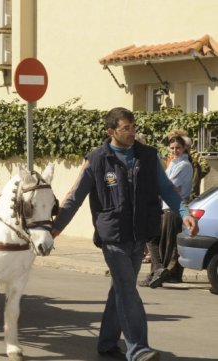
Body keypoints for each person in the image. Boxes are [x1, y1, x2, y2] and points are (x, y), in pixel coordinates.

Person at [51, 107, 198, 361]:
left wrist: (184, 212)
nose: (132, 133)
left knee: (119, 289)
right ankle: (138, 349)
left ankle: (107, 342)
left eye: (133, 127)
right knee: (128, 289)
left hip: (138, 235)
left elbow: (167, 188)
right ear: (111, 132)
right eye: (125, 129)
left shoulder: (147, 156)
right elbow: (75, 197)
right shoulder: (97, 159)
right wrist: (55, 228)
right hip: (112, 237)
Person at [141, 135, 193, 288]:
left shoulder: (184, 165)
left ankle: (168, 274)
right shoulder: (173, 163)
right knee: (164, 243)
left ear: (184, 148)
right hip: (166, 206)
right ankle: (161, 273)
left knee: (169, 244)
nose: (175, 151)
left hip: (174, 207)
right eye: (172, 148)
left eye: (178, 148)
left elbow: (170, 187)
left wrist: (161, 187)